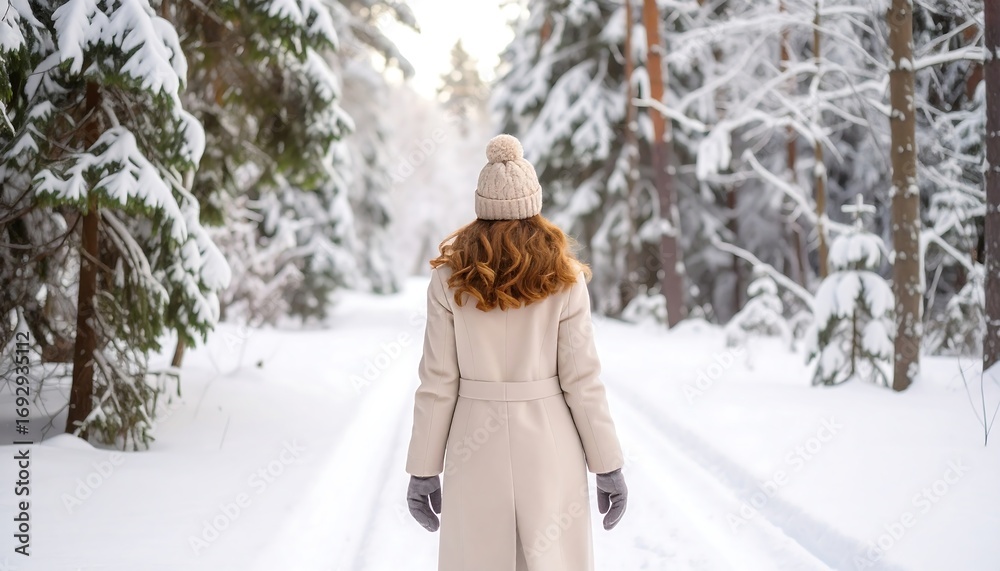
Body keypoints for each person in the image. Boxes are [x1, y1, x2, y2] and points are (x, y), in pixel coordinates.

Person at [405, 134, 627, 571]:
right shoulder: (564, 277)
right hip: (549, 442)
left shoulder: (450, 278)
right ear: (534, 205)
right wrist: (608, 464)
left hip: (474, 443)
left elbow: (438, 381)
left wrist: (423, 468)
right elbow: (582, 381)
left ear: (481, 207)